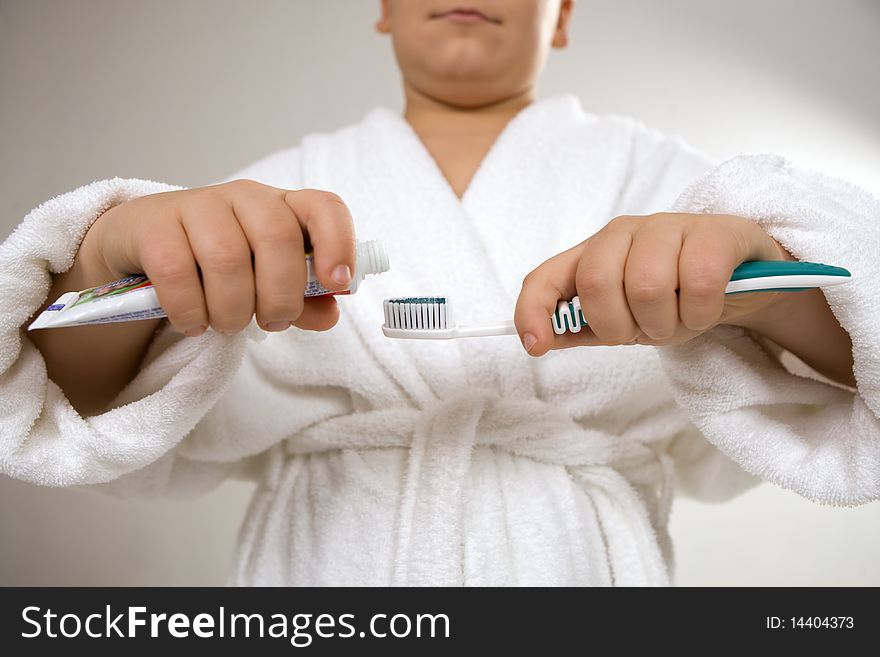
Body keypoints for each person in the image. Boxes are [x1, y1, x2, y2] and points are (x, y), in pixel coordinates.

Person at [1, 0, 878, 585]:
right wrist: (111, 251)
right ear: (381, 8)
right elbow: (74, 405)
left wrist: (761, 287)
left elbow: (856, 361)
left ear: (563, 13)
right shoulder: (275, 194)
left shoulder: (674, 185)